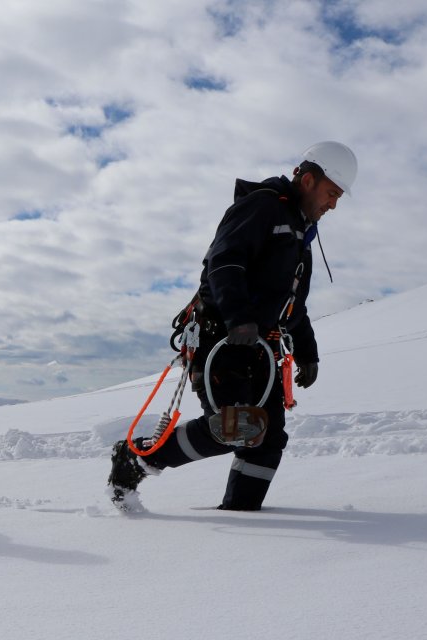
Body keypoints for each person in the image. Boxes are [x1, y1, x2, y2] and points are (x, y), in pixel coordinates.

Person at [109, 141, 357, 511]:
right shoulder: (262, 207)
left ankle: (244, 517)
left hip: (261, 350)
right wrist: (239, 318)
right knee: (236, 427)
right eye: (332, 193)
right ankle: (137, 458)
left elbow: (292, 303)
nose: (333, 205)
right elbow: (224, 262)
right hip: (220, 339)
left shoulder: (300, 233)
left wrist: (308, 352)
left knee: (266, 437)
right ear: (308, 180)